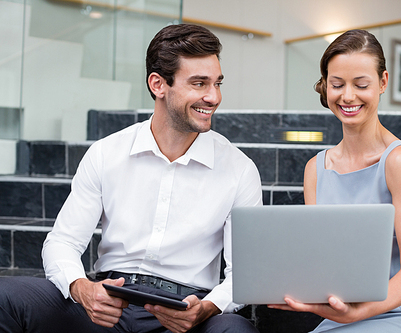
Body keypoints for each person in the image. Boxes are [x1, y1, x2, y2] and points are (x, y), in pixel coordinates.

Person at [0, 24, 262, 333]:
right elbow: (63, 242)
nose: (214, 96)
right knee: (5, 297)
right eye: (199, 83)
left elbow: (244, 273)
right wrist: (82, 289)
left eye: (217, 83)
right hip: (109, 304)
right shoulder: (106, 153)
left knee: (234, 330)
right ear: (158, 84)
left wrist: (205, 309)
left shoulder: (239, 169)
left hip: (184, 314)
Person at [269, 29, 401, 332]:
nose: (348, 96)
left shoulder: (400, 162)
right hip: (344, 314)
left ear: (382, 83)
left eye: (361, 84)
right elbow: (321, 258)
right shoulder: (315, 169)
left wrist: (358, 313)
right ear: (325, 86)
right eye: (337, 84)